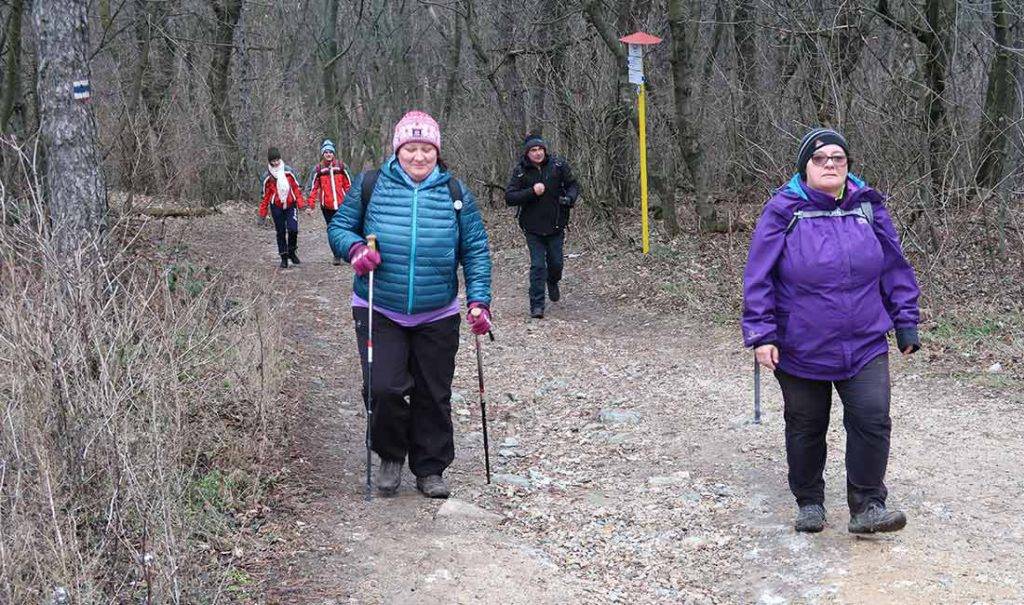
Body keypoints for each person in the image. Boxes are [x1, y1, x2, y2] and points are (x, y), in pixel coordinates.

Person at [742, 127, 921, 534]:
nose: (831, 165)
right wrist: (762, 333)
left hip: (864, 341)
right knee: (806, 426)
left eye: (838, 159)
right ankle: (809, 501)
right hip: (800, 344)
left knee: (873, 419)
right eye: (821, 159)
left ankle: (868, 506)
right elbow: (759, 276)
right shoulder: (784, 210)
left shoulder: (867, 207)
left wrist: (905, 319)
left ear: (848, 166)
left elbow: (893, 265)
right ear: (805, 167)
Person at [327, 110, 493, 498]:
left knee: (433, 392)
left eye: (426, 149)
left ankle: (430, 467)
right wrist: (353, 249)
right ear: (398, 150)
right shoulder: (371, 185)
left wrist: (479, 300)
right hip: (379, 305)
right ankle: (389, 455)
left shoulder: (455, 193)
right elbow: (339, 226)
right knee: (383, 387)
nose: (419, 157)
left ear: (437, 151)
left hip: (438, 310)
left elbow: (476, 249)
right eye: (411, 149)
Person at [504, 134, 580, 318]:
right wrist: (532, 192)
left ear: (545, 150)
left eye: (540, 149)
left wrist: (569, 198)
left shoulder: (558, 166)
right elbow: (510, 197)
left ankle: (552, 281)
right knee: (538, 266)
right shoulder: (521, 171)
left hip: (556, 225)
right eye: (533, 150)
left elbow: (573, 185)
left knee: (556, 263)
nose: (537, 153)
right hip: (532, 228)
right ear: (527, 153)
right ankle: (537, 305)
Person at [258, 147, 307, 269]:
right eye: (272, 161)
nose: (275, 162)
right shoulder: (267, 176)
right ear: (269, 162)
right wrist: (262, 214)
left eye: (277, 160)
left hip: (291, 204)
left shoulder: (289, 171)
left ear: (280, 158)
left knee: (293, 229)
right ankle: (284, 257)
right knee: (280, 232)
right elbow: (265, 197)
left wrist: (301, 204)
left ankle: (292, 251)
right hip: (277, 207)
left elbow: (296, 188)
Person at [306, 139, 352, 264]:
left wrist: (353, 201)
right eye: (326, 152)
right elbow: (313, 188)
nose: (328, 154)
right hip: (326, 206)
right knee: (332, 230)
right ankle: (336, 255)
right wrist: (310, 206)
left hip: (342, 204)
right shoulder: (318, 169)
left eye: (330, 152)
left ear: (333, 153)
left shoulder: (341, 166)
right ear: (322, 153)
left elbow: (349, 185)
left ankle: (345, 251)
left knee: (343, 229)